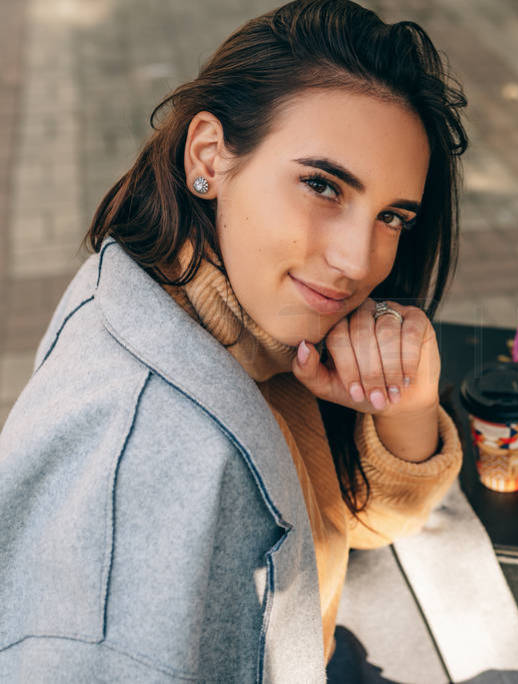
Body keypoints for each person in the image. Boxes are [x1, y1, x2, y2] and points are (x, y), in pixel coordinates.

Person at [0, 0, 468, 680]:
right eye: (322, 185)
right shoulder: (148, 468)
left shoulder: (221, 312)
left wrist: (405, 405)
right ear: (209, 157)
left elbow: (364, 527)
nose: (358, 261)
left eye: (392, 217)